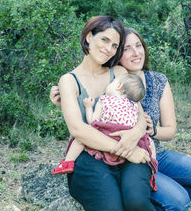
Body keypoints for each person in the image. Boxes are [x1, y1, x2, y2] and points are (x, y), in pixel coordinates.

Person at [51, 27, 191, 211]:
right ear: (117, 56)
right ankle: (158, 194)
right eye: (127, 49)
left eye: (138, 46)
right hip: (127, 154)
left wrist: (151, 130)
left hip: (152, 151)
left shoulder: (157, 80)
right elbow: (88, 106)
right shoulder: (114, 79)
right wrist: (62, 99)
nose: (136, 53)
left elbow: (170, 129)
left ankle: (159, 192)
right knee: (178, 201)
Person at [54, 16, 156, 211]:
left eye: (115, 45)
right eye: (105, 40)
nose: (109, 49)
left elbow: (139, 115)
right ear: (89, 37)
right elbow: (78, 129)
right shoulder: (69, 81)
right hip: (92, 155)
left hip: (130, 147)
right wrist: (127, 150)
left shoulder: (118, 72)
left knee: (137, 202)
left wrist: (134, 137)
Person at [51, 73, 157, 180]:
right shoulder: (133, 104)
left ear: (119, 86)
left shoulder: (105, 100)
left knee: (80, 140)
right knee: (150, 143)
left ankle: (68, 162)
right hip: (129, 138)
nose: (109, 84)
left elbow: (93, 121)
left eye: (112, 82)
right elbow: (140, 120)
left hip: (109, 135)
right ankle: (152, 171)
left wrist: (88, 107)